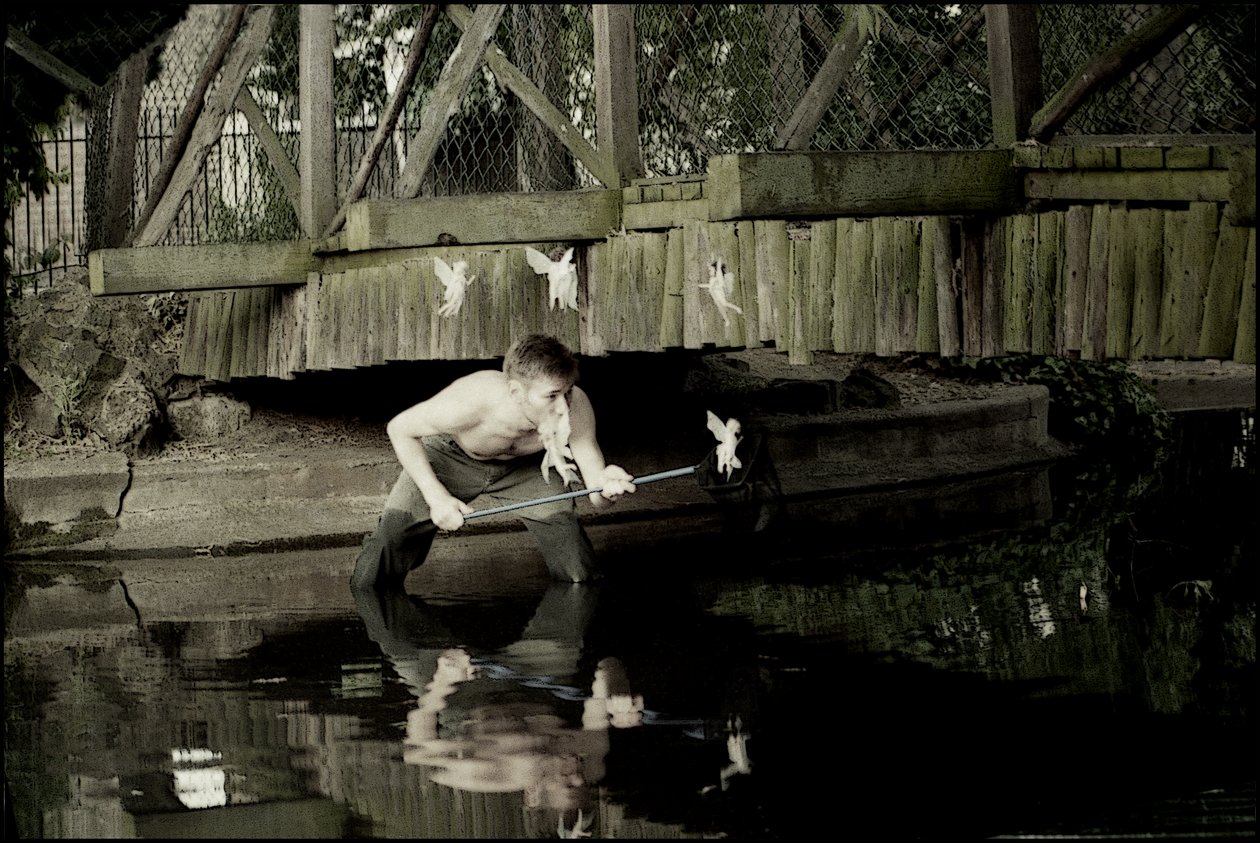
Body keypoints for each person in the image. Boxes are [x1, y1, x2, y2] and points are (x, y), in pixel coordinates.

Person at [351, 334, 636, 589]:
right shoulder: (470, 400)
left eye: (568, 391)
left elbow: (596, 494)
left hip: (527, 469)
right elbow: (399, 428)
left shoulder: (577, 407)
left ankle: (570, 625)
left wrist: (608, 488)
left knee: (576, 559)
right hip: (452, 458)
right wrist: (436, 498)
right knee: (388, 544)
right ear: (516, 392)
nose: (563, 406)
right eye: (551, 395)